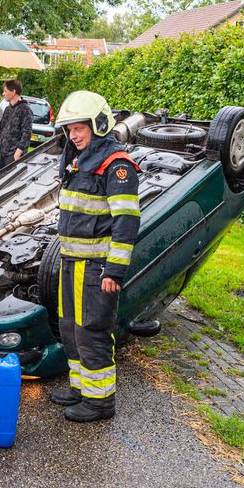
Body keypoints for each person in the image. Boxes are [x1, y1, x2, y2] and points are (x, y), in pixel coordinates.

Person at [50, 90, 141, 422]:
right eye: (69, 129)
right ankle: (81, 388)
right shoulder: (78, 160)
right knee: (70, 327)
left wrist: (114, 270)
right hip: (71, 261)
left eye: (80, 128)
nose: (73, 135)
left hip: (96, 267)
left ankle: (100, 401)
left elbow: (126, 222)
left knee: (92, 330)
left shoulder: (116, 166)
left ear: (98, 125)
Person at [0, 78, 33, 168]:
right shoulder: (7, 109)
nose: (3, 94)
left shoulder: (25, 109)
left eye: (5, 91)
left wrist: (18, 153)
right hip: (3, 153)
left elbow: (27, 133)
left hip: (14, 155)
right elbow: (1, 129)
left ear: (13, 92)